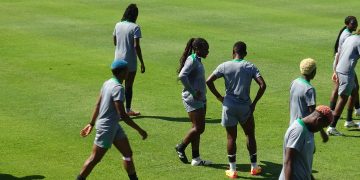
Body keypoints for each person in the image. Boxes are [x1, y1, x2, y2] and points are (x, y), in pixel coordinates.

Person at [76, 60, 147, 180]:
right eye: (126, 70)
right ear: (121, 73)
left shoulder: (107, 83)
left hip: (113, 126)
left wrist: (91, 123)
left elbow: (98, 105)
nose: (128, 72)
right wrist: (139, 130)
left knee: (127, 154)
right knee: (95, 158)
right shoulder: (118, 88)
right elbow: (123, 115)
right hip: (107, 128)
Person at [206, 41, 266, 178]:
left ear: (233, 52)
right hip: (245, 107)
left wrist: (219, 97)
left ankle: (232, 170)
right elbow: (263, 85)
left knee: (231, 137)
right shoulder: (250, 66)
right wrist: (254, 103)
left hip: (229, 107)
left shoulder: (224, 66)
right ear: (245, 53)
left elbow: (208, 81)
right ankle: (254, 167)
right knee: (250, 135)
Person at [174, 38, 212, 166]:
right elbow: (182, 76)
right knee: (199, 128)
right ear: (197, 49)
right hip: (193, 99)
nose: (207, 51)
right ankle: (181, 147)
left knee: (196, 128)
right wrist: (193, 92)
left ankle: (196, 158)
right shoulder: (192, 60)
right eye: (205, 49)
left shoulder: (197, 60)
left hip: (200, 99)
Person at [279, 105, 333, 180]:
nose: (321, 129)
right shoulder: (298, 131)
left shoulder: (309, 130)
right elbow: (288, 162)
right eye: (323, 126)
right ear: (319, 120)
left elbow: (304, 162)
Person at [113, 4, 145, 116]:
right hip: (129, 61)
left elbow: (115, 42)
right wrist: (141, 62)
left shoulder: (118, 25)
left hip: (117, 60)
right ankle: (126, 110)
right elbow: (136, 46)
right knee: (128, 86)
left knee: (117, 85)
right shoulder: (135, 27)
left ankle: (115, 110)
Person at [329, 16, 359, 131]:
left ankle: (349, 120)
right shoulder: (352, 37)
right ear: (347, 24)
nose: (355, 25)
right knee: (343, 97)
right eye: (353, 23)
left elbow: (339, 52)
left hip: (342, 67)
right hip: (345, 70)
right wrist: (335, 70)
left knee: (355, 90)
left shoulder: (351, 37)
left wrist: (336, 69)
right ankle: (332, 126)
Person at [289, 58, 328, 142]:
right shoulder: (309, 89)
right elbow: (313, 114)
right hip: (304, 129)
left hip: (292, 125)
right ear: (313, 72)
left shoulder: (294, 82)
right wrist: (323, 133)